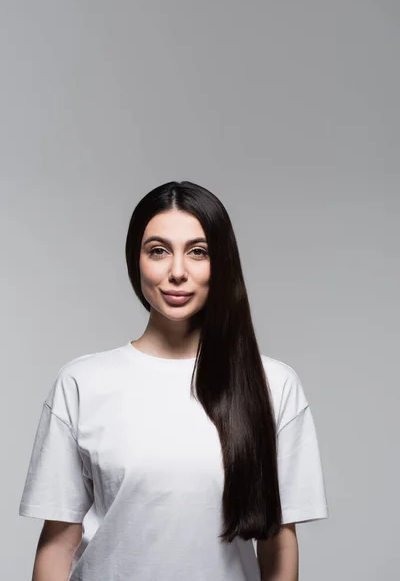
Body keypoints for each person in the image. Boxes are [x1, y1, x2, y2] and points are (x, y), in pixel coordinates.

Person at [19, 181, 329, 581]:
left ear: (222, 263)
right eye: (158, 251)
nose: (177, 272)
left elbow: (279, 542)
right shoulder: (82, 383)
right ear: (137, 260)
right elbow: (59, 543)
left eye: (198, 252)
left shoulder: (273, 385)